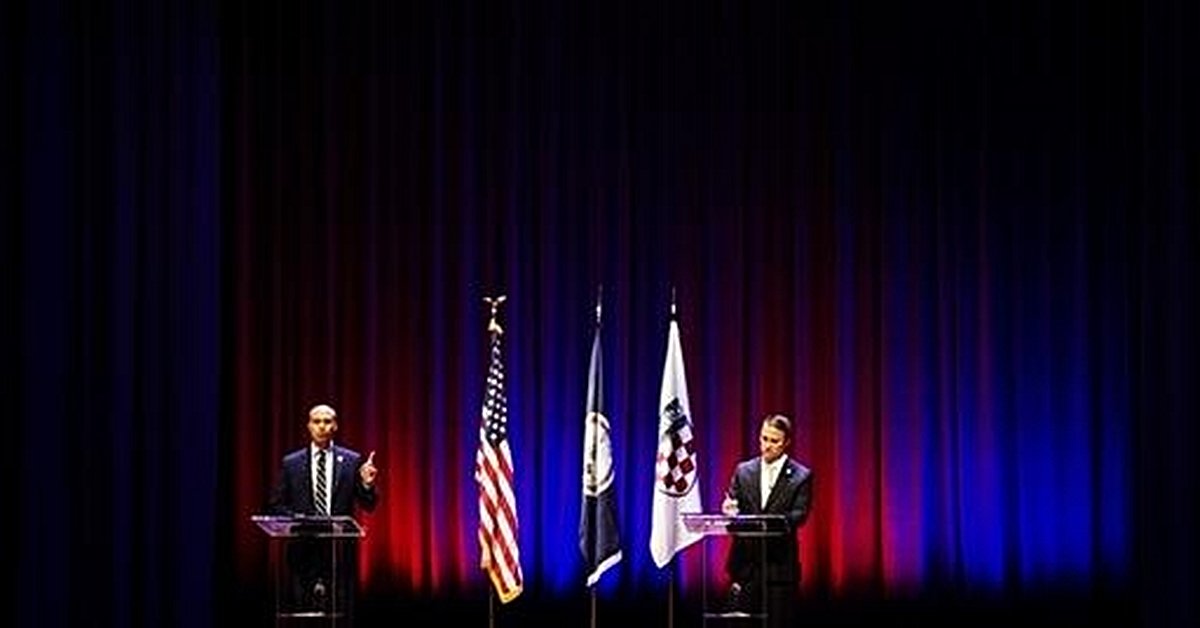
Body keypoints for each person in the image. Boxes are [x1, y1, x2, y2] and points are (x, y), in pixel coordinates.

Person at [268, 403, 379, 617]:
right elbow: (276, 505)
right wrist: (301, 520)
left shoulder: (351, 461)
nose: (321, 426)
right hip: (302, 550)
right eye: (316, 421)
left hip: (338, 553)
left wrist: (367, 484)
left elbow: (368, 505)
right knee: (302, 612)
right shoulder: (291, 463)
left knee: (339, 613)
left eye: (327, 422)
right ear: (309, 426)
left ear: (335, 426)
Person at [721, 413, 813, 628]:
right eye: (764, 438)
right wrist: (729, 510)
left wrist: (765, 524)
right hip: (745, 566)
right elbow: (733, 504)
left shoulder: (801, 476)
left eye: (774, 441)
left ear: (787, 442)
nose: (767, 446)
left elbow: (799, 515)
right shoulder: (743, 471)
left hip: (779, 568)